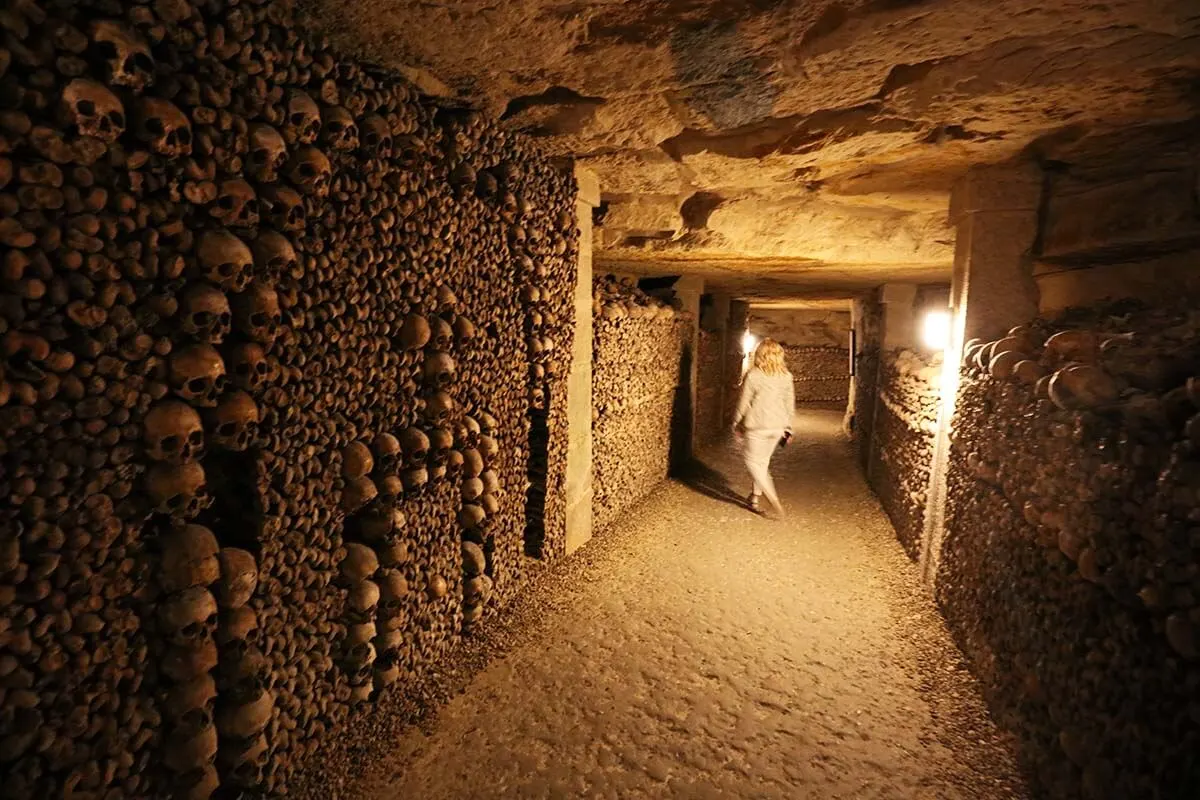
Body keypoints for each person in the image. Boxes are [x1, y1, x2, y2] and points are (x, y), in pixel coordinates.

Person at [732, 338, 794, 519]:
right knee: (763, 462)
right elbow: (789, 404)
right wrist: (789, 428)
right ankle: (755, 498)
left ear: (760, 355)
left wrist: (737, 422)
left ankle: (772, 498)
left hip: (757, 426)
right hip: (777, 427)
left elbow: (743, 403)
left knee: (753, 462)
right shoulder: (786, 376)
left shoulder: (754, 375)